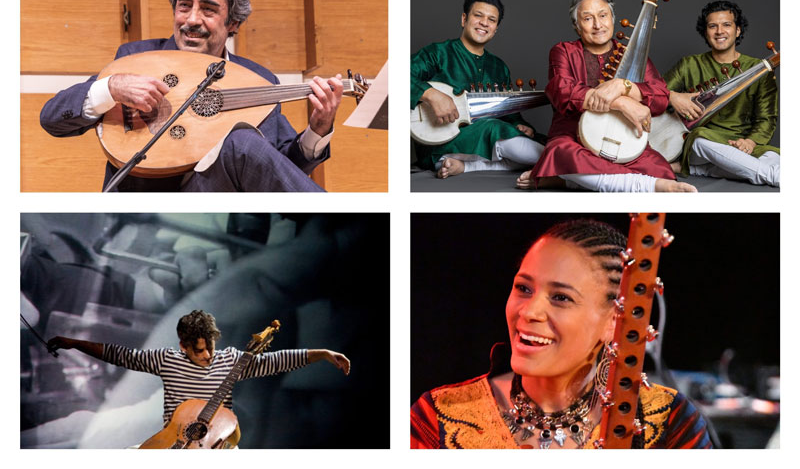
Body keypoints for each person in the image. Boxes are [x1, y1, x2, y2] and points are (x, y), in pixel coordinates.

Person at [39, 0, 342, 192]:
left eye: (208, 10)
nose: (192, 20)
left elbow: (278, 173)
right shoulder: (137, 58)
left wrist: (316, 130)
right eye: (184, 6)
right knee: (241, 141)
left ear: (233, 23)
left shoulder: (259, 79)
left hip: (222, 201)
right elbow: (52, 119)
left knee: (240, 142)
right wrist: (112, 88)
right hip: (148, 201)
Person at [411, 219, 711, 449]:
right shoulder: (438, 416)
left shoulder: (669, 420)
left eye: (561, 297)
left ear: (614, 322)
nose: (529, 312)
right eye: (523, 288)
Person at [47, 309, 350, 447]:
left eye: (211, 347)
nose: (207, 356)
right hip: (166, 441)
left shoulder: (231, 359)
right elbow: (120, 354)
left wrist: (321, 353)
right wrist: (74, 343)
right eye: (200, 350)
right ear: (184, 346)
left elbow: (275, 361)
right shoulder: (166, 359)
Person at [517, 0, 695, 192]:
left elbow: (661, 96)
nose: (598, 25)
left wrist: (622, 86)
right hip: (573, 136)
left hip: (624, 137)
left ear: (613, 18)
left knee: (659, 168)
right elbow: (561, 91)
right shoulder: (563, 51)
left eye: (603, 15)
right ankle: (647, 186)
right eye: (587, 19)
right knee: (561, 153)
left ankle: (567, 179)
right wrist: (621, 102)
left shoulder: (631, 55)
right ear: (577, 26)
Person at [411, 0, 544, 178]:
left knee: (537, 138)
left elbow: (510, 114)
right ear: (464, 19)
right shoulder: (438, 53)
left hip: (487, 138)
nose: (484, 23)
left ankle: (466, 166)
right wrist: (430, 94)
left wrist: (520, 124)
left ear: (496, 28)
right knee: (494, 128)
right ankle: (560, 163)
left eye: (492, 20)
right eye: (478, 15)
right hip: (437, 142)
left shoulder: (499, 67)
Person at [663, 0, 779, 186]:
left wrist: (750, 142)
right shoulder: (689, 65)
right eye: (712, 26)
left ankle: (699, 170)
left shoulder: (759, 70)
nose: (719, 31)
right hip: (702, 143)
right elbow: (655, 92)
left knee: (775, 158)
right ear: (705, 32)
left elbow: (767, 118)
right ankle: (773, 176)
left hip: (741, 145)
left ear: (738, 30)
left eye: (726, 25)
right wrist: (673, 96)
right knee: (700, 140)